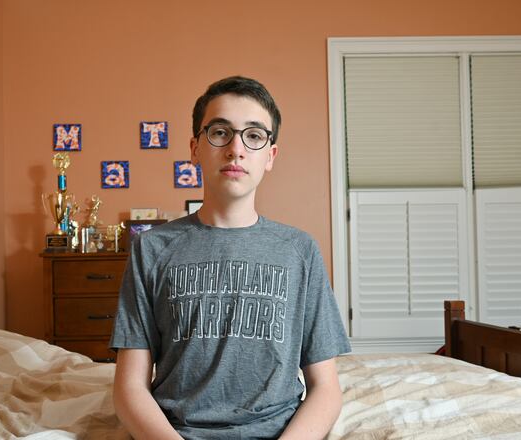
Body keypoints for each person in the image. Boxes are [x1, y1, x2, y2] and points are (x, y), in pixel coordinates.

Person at [110, 76, 351, 439]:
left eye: (253, 136)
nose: (236, 148)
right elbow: (129, 388)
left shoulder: (299, 250)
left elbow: (326, 388)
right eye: (220, 132)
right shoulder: (152, 249)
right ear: (195, 148)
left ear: (270, 156)